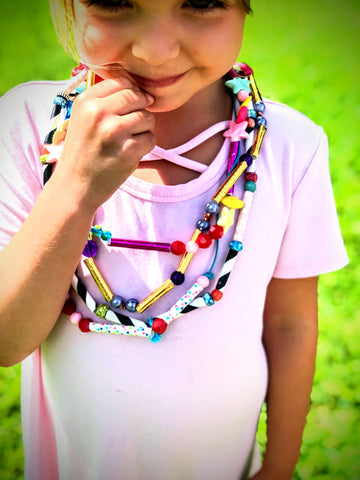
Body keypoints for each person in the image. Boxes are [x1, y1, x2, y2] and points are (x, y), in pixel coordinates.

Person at [0, 0, 348, 479]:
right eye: (115, 2)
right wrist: (75, 186)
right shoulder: (27, 128)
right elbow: (6, 341)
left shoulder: (290, 146)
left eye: (201, 2)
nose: (157, 51)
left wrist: (281, 464)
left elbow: (291, 326)